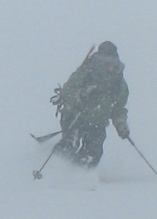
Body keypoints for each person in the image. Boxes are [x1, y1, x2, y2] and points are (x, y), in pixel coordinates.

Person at [50, 41, 130, 169]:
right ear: (99, 60)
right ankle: (55, 168)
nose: (109, 66)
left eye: (112, 63)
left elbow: (118, 108)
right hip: (75, 116)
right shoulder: (86, 72)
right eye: (105, 62)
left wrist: (121, 124)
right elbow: (67, 91)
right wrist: (82, 94)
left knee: (93, 153)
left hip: (97, 123)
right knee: (70, 144)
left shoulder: (119, 84)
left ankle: (79, 175)